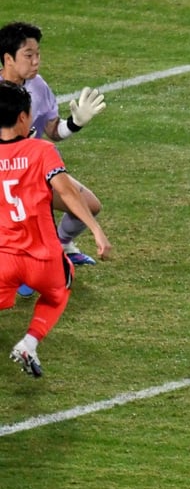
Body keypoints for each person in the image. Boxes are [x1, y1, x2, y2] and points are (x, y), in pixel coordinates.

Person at [0, 81, 112, 377]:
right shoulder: (41, 151)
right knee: (59, 290)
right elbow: (69, 192)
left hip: (5, 259)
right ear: (23, 118)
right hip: (43, 258)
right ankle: (29, 342)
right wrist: (97, 230)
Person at [0, 21, 106, 270]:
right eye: (29, 55)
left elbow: (52, 130)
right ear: (8, 58)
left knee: (89, 206)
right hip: (6, 175)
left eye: (38, 54)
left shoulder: (38, 86)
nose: (36, 61)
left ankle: (62, 245)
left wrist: (75, 123)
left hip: (32, 173)